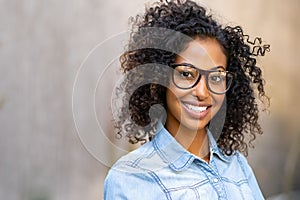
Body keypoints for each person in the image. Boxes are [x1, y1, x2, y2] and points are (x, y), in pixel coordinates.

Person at [104, 0, 270, 199]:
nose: (202, 92)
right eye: (186, 74)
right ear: (159, 79)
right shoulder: (130, 178)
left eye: (216, 77)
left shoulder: (236, 164)